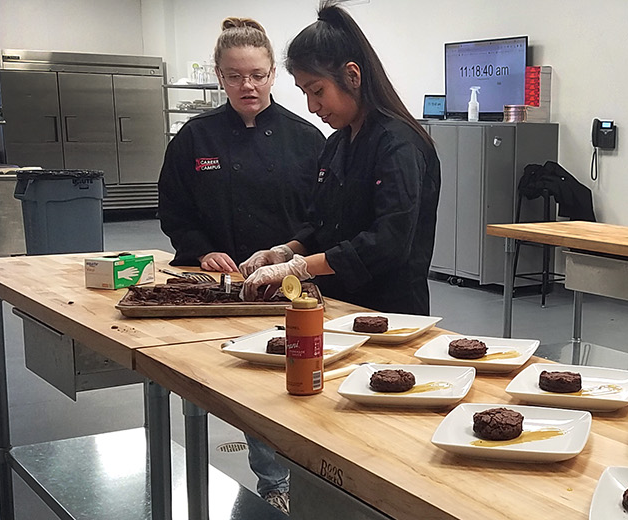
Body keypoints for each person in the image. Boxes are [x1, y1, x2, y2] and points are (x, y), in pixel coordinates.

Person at [157, 17, 325, 514]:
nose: (246, 86)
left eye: (256, 74)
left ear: (274, 74)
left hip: (289, 284)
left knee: (293, 376)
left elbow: (323, 218)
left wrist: (286, 255)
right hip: (217, 285)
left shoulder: (306, 139)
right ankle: (273, 479)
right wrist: (200, 247)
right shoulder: (195, 138)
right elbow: (174, 209)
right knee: (240, 382)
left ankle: (305, 478)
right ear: (218, 75)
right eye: (234, 76)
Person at [240, 1, 441, 321]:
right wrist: (285, 251)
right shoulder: (337, 144)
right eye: (304, 92)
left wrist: (301, 267)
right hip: (337, 306)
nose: (311, 106)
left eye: (317, 90)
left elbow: (388, 242)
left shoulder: (399, 144)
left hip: (389, 313)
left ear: (352, 75)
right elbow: (321, 227)